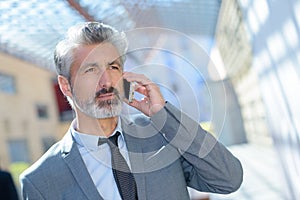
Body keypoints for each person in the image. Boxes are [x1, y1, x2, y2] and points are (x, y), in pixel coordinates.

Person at [20, 22, 243, 200]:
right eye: (91, 69)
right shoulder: (40, 181)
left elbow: (228, 179)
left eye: (113, 67)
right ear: (66, 85)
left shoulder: (163, 136)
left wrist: (162, 114)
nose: (106, 80)